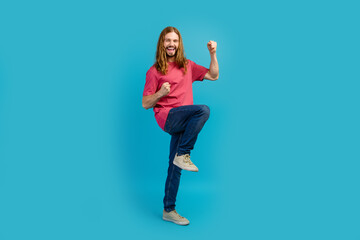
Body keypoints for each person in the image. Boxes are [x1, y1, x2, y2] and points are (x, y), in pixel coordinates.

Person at [142, 26, 219, 225]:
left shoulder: (187, 65)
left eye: (175, 41)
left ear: (179, 44)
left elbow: (213, 75)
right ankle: (183, 154)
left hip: (183, 120)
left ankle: (169, 209)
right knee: (203, 110)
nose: (171, 44)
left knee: (174, 166)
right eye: (168, 40)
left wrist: (213, 54)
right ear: (162, 43)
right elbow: (145, 103)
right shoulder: (154, 71)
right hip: (167, 117)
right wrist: (160, 93)